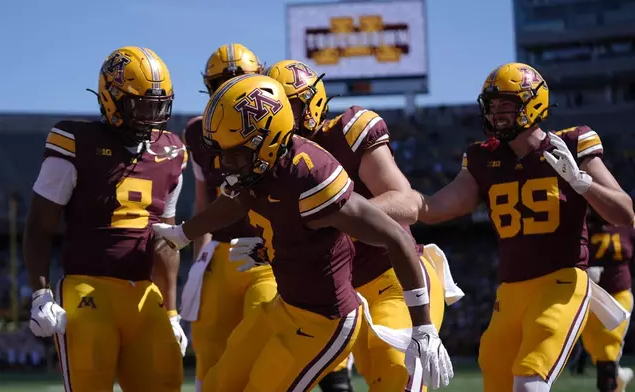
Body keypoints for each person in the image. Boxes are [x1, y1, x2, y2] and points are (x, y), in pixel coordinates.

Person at [153, 74, 453, 392]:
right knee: (218, 384)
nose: (225, 164)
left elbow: (396, 235)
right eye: (222, 153)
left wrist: (423, 325)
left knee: (390, 377)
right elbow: (235, 203)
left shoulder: (310, 175)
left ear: (267, 140)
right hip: (286, 305)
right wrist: (184, 233)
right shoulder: (258, 167)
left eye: (235, 154)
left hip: (323, 320)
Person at [415, 62, 634, 392]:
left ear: (533, 102)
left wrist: (581, 182)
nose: (497, 113)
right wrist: (386, 204)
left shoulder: (571, 144)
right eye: (492, 105)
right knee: (497, 377)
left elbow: (624, 213)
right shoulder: (482, 158)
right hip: (510, 292)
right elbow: (434, 208)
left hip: (561, 282)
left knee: (530, 380)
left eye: (507, 104)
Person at [264, 59, 460, 392]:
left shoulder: (348, 131)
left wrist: (343, 221)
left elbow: (407, 202)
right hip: (341, 295)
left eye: (291, 105)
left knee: (394, 373)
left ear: (312, 102)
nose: (282, 117)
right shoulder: (276, 162)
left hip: (394, 278)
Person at [23, 46, 187, 392]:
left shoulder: (172, 151)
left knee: (166, 382)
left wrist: (172, 313)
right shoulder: (74, 141)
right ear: (111, 98)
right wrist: (41, 293)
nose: (151, 118)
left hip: (144, 293)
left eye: (158, 107)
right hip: (89, 287)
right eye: (141, 107)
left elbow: (167, 240)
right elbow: (39, 226)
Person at [180, 43, 278, 391]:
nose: (229, 87)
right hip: (220, 252)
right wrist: (198, 262)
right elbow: (204, 199)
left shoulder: (277, 121)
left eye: (238, 79)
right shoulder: (197, 132)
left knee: (263, 340)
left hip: (267, 253)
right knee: (209, 347)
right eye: (222, 81)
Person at [582, 208, 635, 392]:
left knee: (607, 345)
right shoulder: (582, 223)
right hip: (589, 296)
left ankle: (609, 385)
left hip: (618, 294)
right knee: (595, 348)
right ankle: (619, 375)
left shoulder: (627, 223)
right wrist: (583, 270)